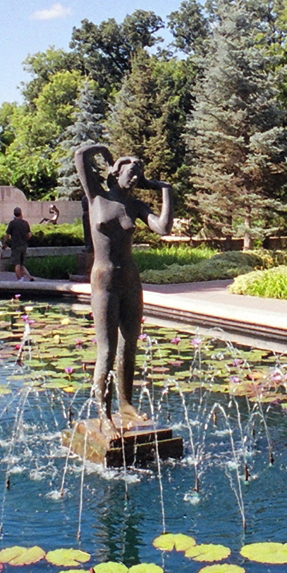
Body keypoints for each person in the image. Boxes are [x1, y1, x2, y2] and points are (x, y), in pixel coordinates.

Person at [74, 143, 175, 419]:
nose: (134, 178)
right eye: (130, 172)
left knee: (130, 345)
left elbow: (163, 228)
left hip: (130, 282)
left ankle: (126, 405)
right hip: (104, 282)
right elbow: (81, 156)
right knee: (107, 350)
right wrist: (104, 150)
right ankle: (103, 413)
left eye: (138, 175)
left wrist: (165, 189)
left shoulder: (135, 205)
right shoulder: (96, 197)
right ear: (116, 173)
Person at [5, 207, 34, 282]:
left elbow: (7, 235)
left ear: (14, 214)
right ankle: (29, 276)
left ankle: (20, 280)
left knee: (17, 264)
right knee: (21, 264)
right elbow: (30, 234)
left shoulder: (12, 223)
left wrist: (4, 243)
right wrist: (25, 239)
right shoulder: (25, 223)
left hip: (15, 246)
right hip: (24, 245)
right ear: (21, 213)